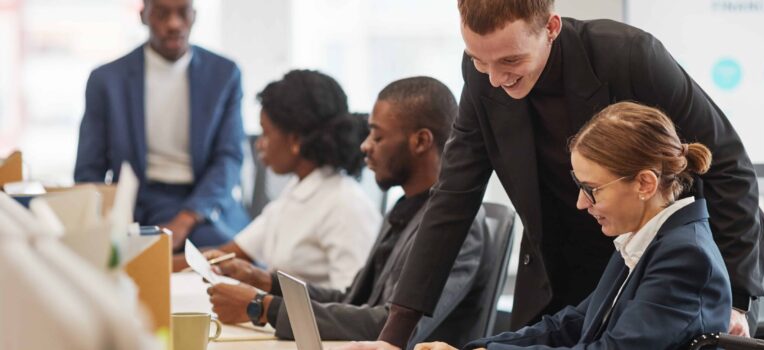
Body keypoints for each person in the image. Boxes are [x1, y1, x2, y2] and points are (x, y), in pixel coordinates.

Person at [367, 1, 764, 348]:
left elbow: (729, 167)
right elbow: (453, 198)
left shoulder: (629, 55)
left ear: (550, 27)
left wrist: (735, 298)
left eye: (511, 61)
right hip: (583, 263)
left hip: (669, 265)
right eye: (480, 61)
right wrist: (394, 336)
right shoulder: (485, 73)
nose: (495, 78)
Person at [416, 102, 731, 350]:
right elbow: (572, 324)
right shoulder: (648, 242)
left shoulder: (685, 256)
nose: (581, 203)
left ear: (645, 183)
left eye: (592, 188)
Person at [206, 76, 492, 346]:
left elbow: (392, 327)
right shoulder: (406, 209)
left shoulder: (457, 228)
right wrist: (267, 282)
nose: (365, 146)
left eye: (377, 138)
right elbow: (353, 299)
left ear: (420, 141)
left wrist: (262, 308)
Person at [176, 70, 381, 290]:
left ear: (295, 140)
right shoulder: (297, 191)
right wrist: (148, 264)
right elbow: (228, 253)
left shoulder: (345, 205)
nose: (259, 144)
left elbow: (352, 305)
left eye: (266, 134)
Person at [74, 0, 249, 250]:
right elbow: (88, 170)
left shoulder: (224, 74)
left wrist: (185, 219)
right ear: (143, 16)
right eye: (162, 14)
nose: (174, 24)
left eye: (182, 13)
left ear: (194, 16)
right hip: (139, 204)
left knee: (240, 259)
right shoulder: (107, 80)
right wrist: (98, 224)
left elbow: (229, 158)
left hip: (203, 202)